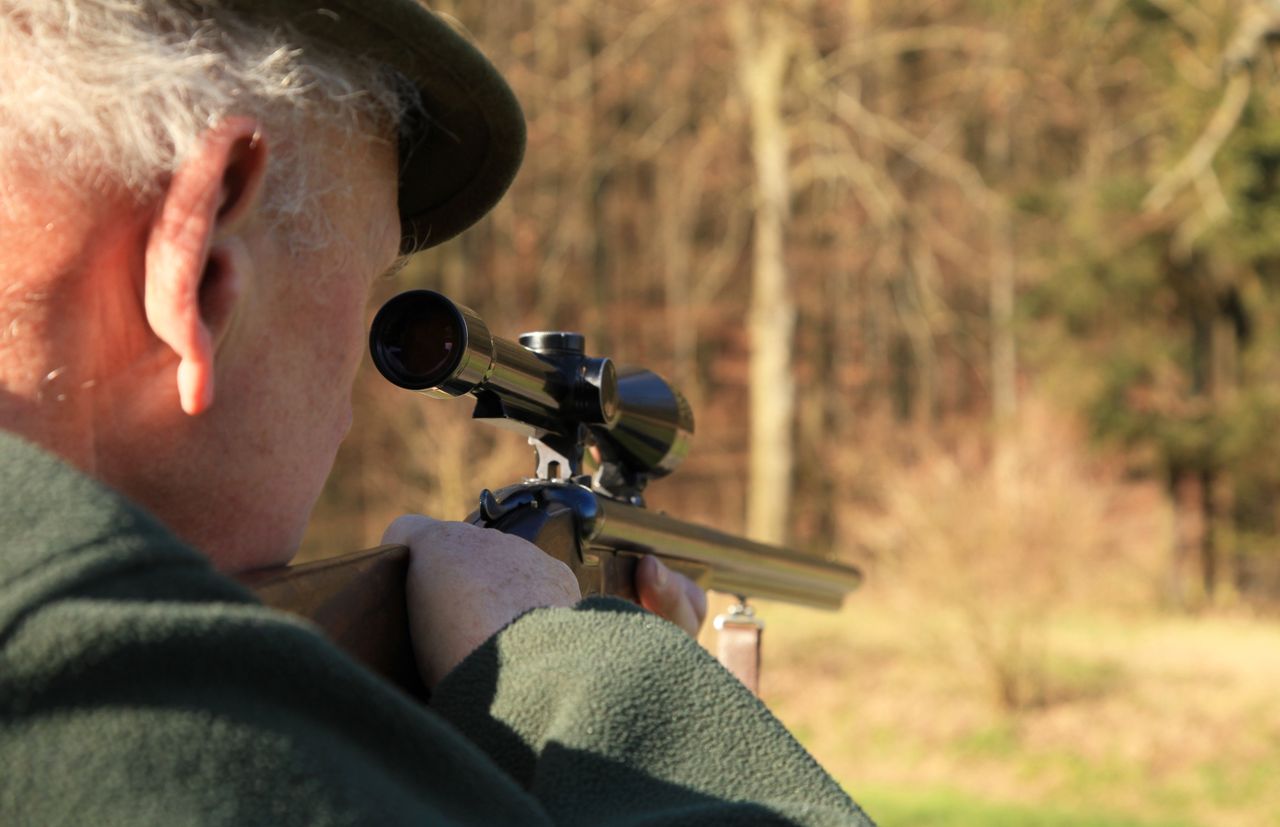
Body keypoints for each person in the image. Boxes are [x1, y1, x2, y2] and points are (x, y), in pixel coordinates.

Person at [0, 1, 874, 824]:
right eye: (372, 277)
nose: (347, 416)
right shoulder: (133, 714)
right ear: (201, 270)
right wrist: (593, 685)